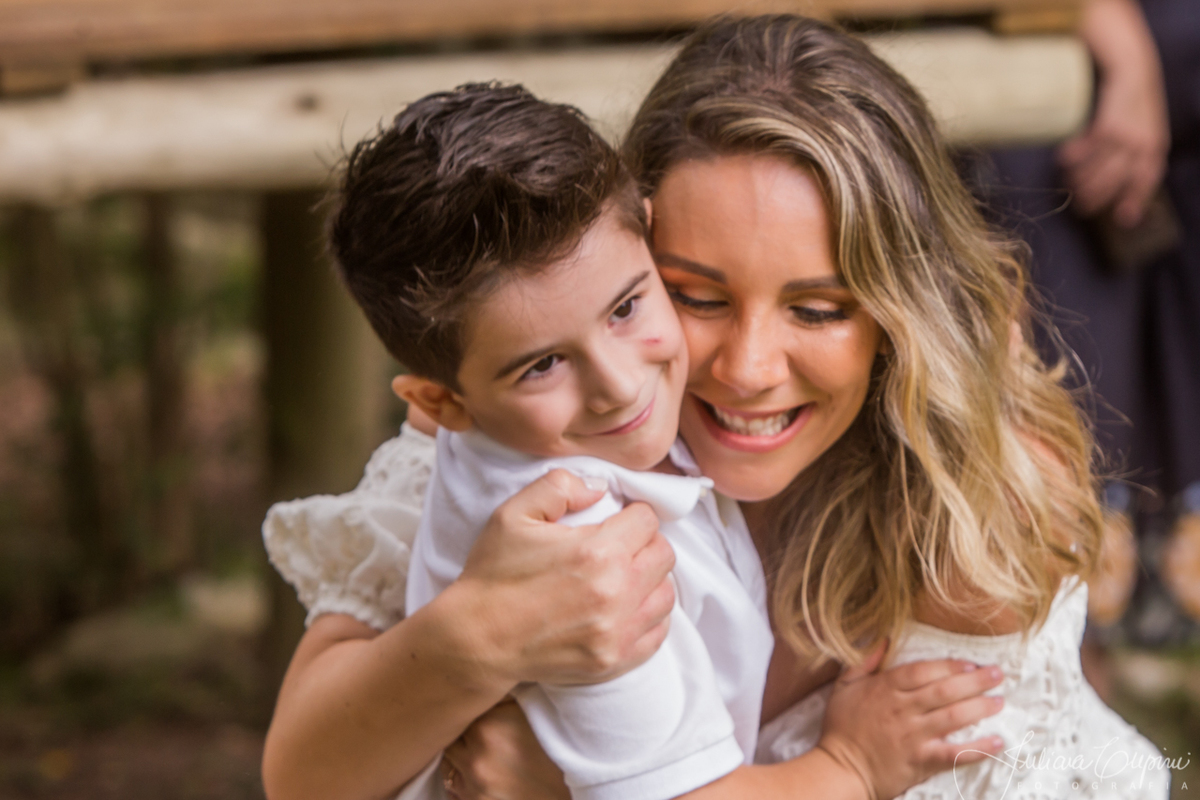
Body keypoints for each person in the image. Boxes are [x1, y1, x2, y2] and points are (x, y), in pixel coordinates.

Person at [263, 14, 1164, 800]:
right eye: (696, 295)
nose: (747, 369)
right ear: (633, 235)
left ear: (899, 313)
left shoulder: (966, 513)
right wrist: (478, 636)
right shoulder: (524, 443)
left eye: (818, 309)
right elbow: (304, 776)